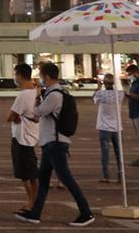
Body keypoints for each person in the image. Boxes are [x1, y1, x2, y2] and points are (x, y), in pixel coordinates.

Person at [16, 62, 94, 227]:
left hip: (55, 143)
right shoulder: (55, 93)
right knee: (43, 180)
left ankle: (86, 212)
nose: (40, 79)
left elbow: (36, 112)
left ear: (47, 76)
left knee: (66, 179)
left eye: (41, 76)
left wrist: (36, 96)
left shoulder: (54, 95)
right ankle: (35, 213)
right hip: (50, 143)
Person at [6, 63, 40, 215]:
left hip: (22, 138)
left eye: (15, 74)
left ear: (19, 75)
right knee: (28, 174)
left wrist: (16, 116)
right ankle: (32, 201)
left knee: (28, 175)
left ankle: (33, 203)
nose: (15, 77)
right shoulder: (35, 93)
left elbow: (10, 116)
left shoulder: (23, 95)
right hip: (31, 136)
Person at [93, 73, 122, 183]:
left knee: (105, 153)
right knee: (118, 152)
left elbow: (94, 99)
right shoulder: (119, 94)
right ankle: (120, 173)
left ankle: (106, 175)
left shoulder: (101, 94)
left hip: (104, 127)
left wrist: (99, 87)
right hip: (117, 127)